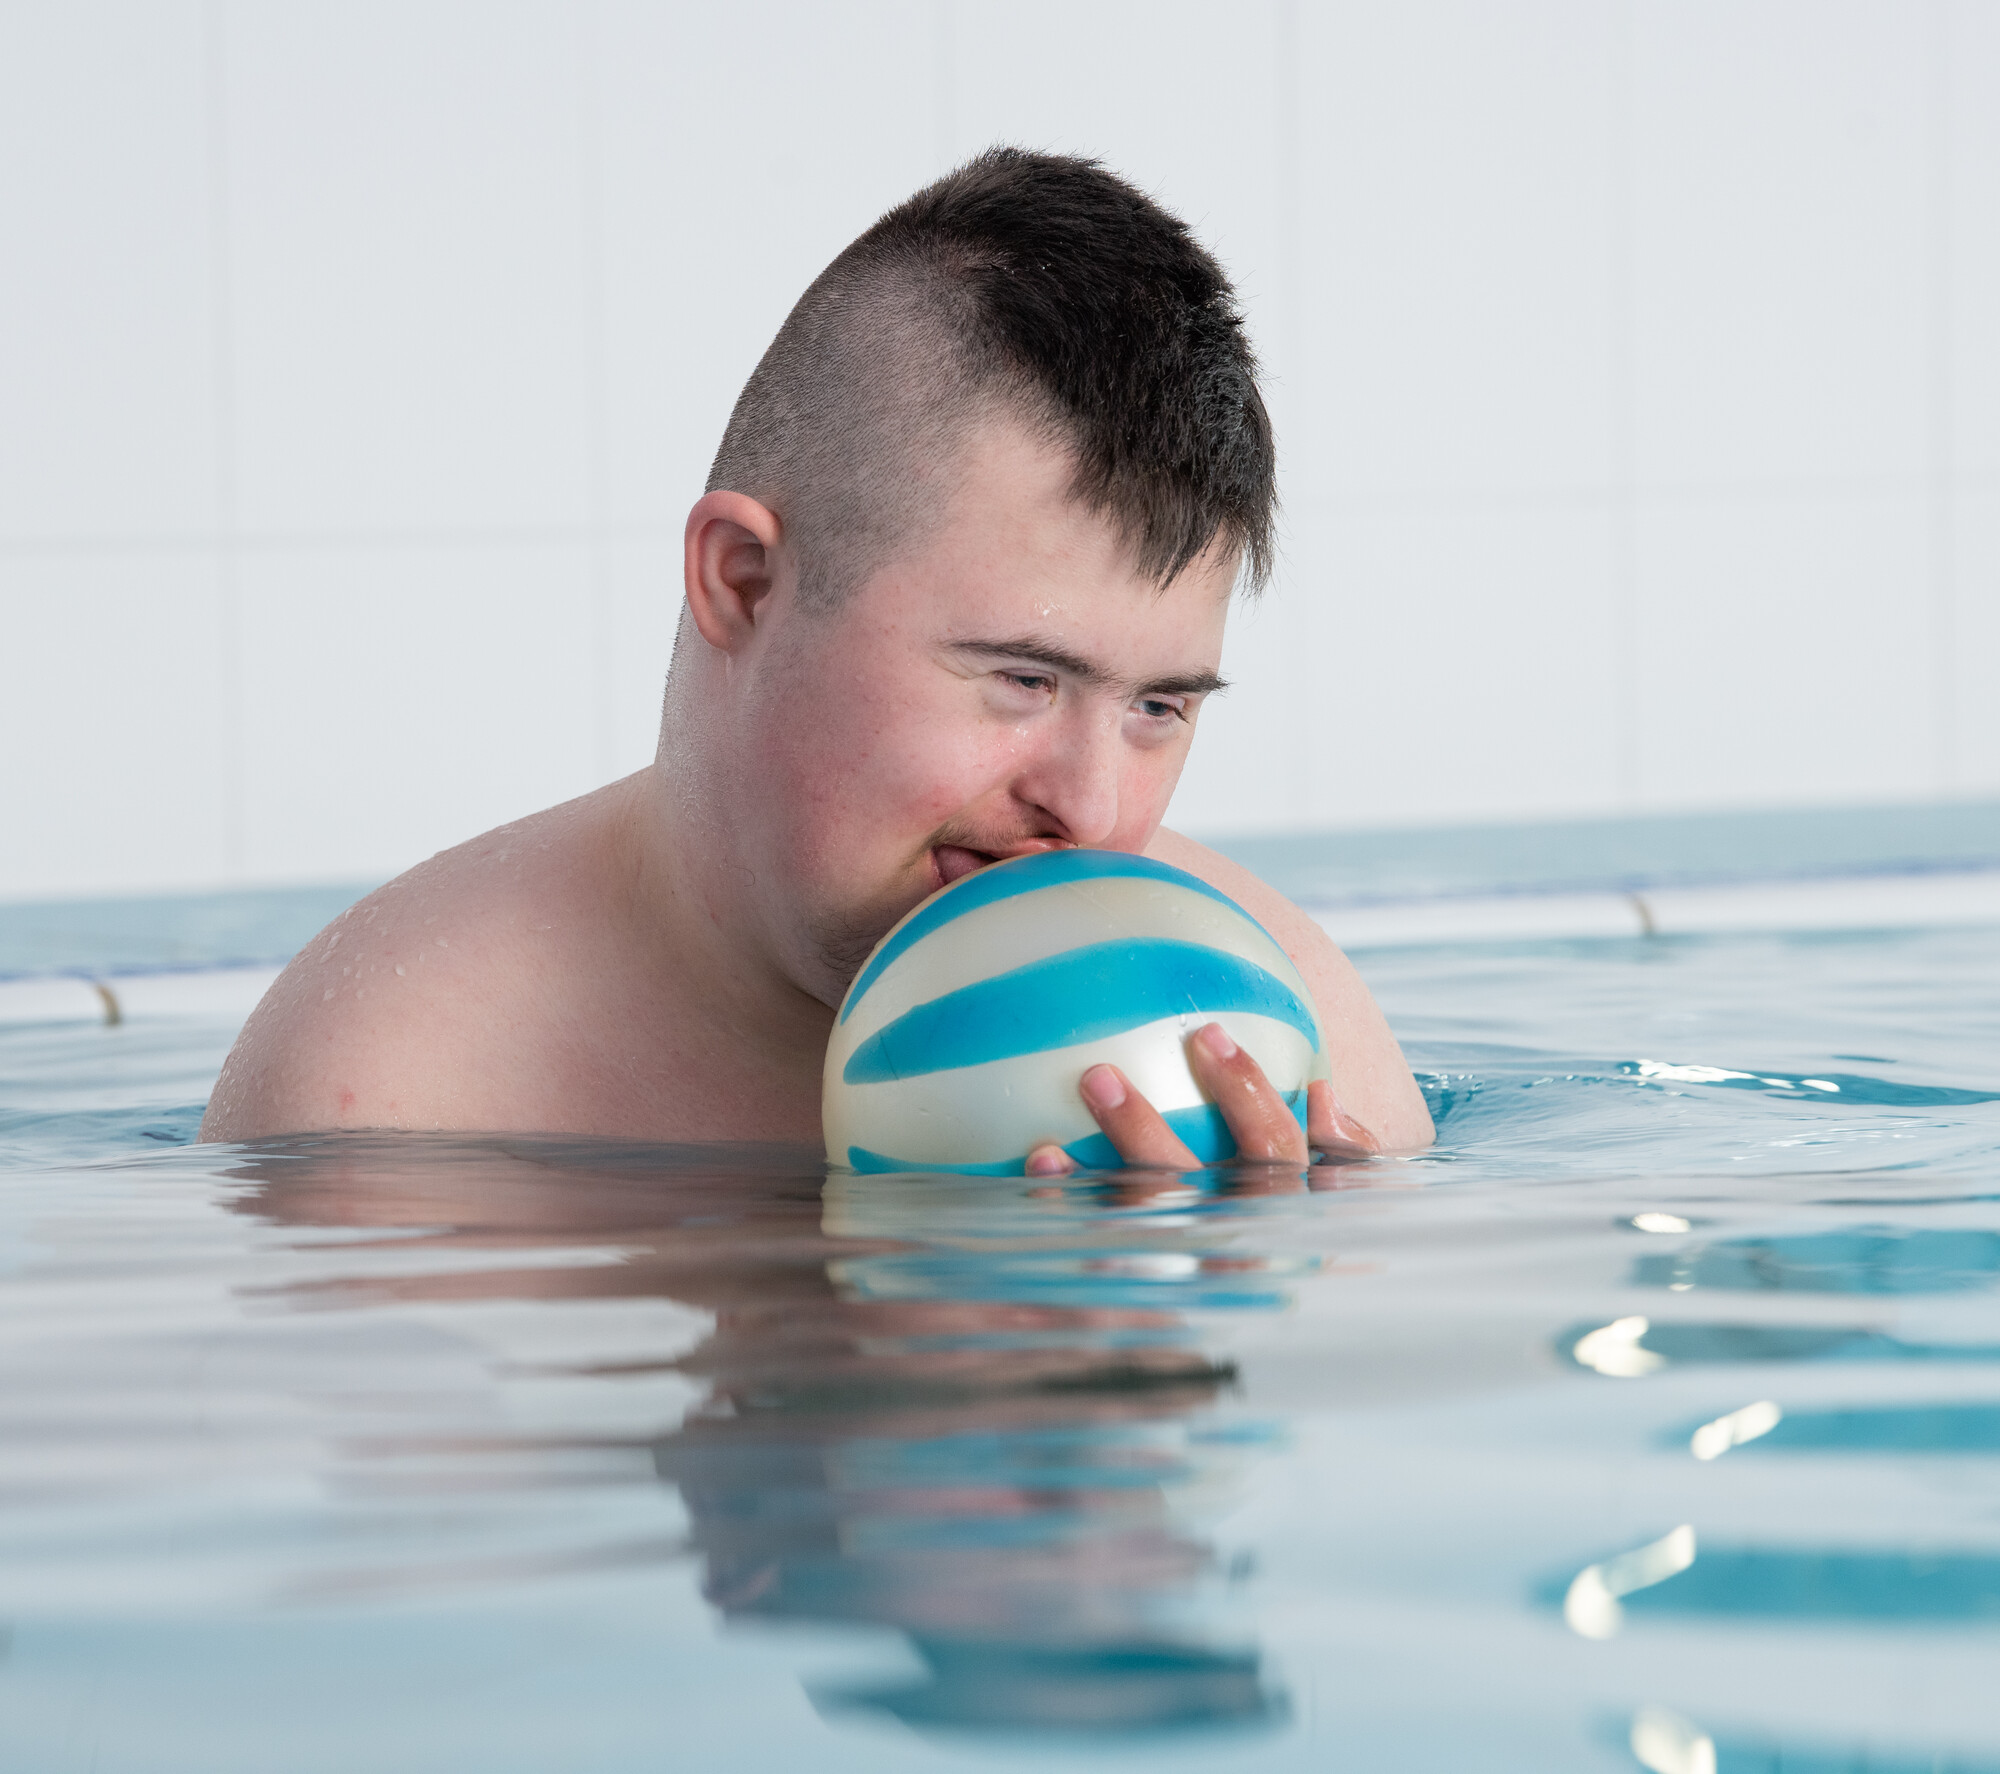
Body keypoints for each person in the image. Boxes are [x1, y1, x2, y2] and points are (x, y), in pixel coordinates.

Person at [199, 148, 1434, 1166]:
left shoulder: (1278, 1030)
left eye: (1159, 704)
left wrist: (1191, 1330)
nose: (1095, 810)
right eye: (1022, 678)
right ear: (741, 583)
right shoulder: (397, 1104)